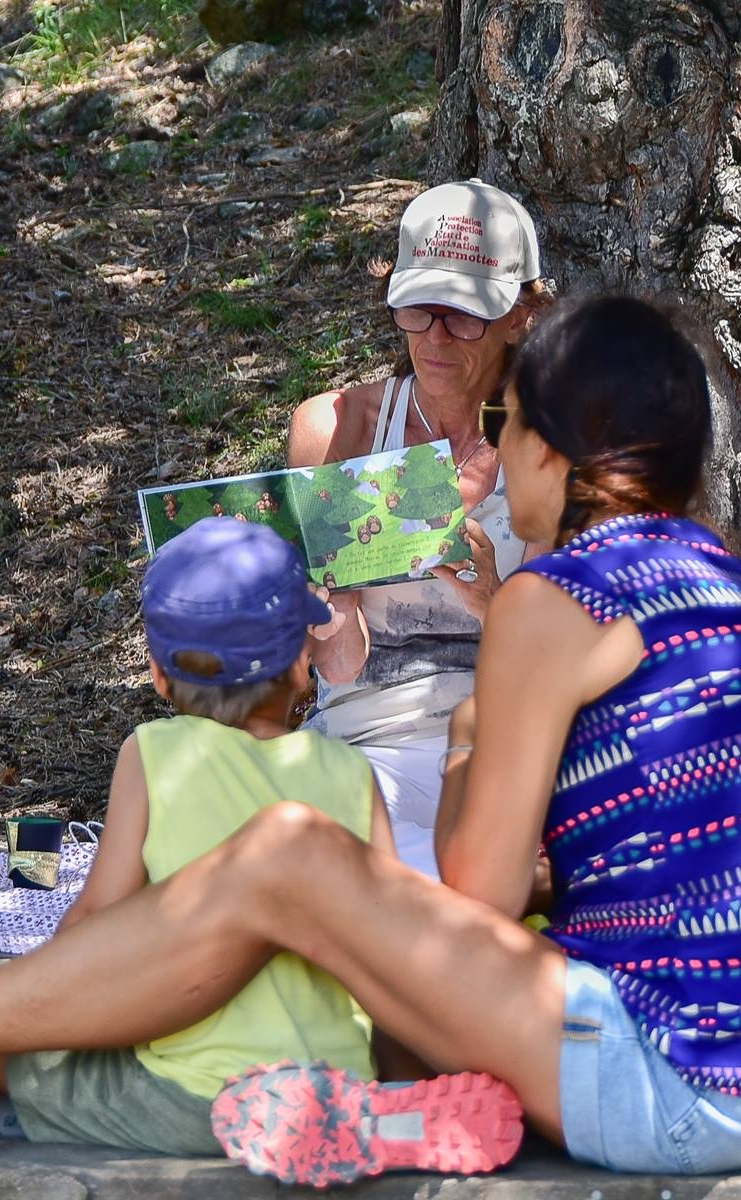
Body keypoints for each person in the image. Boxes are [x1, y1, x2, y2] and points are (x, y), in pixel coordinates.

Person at [0, 297, 741, 1184]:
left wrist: (467, 735)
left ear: (556, 455)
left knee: (287, 859)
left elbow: (467, 894)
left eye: (508, 429)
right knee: (310, 908)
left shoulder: (557, 597)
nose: (498, 461)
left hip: (674, 1081)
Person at [0, 517, 521, 1162]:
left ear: (157, 672)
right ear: (305, 656)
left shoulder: (154, 751)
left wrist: (29, 1004)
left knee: (12, 1066)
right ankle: (366, 1110)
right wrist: (407, 1067)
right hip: (340, 1072)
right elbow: (380, 945)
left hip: (194, 1095)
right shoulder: (345, 773)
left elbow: (95, 925)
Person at [291, 178, 550, 879]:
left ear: (520, 314)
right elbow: (340, 670)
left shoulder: (551, 442)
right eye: (416, 309)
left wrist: (492, 598)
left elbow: (567, 665)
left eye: (464, 316)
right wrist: (327, 609)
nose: (434, 337)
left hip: (500, 750)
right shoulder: (337, 428)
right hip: (362, 742)